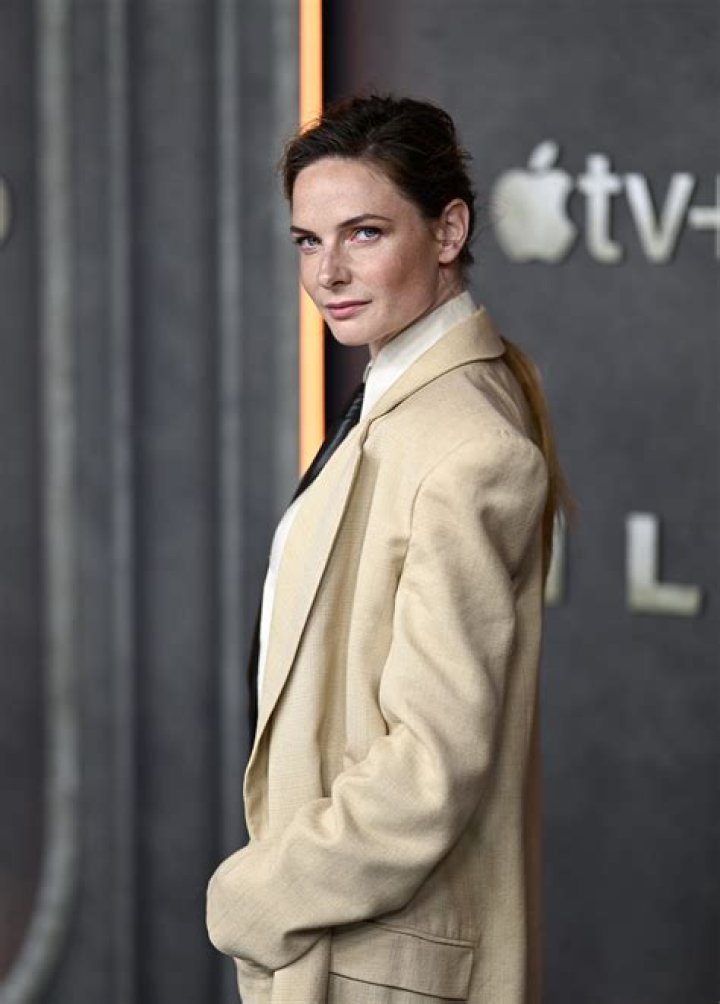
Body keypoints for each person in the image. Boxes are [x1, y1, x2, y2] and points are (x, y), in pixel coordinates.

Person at [206, 94, 569, 1004]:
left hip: (379, 964)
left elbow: (431, 768)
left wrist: (253, 898)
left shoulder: (467, 445)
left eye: (364, 233)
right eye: (307, 241)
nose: (328, 272)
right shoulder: (400, 401)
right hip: (349, 941)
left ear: (449, 231)